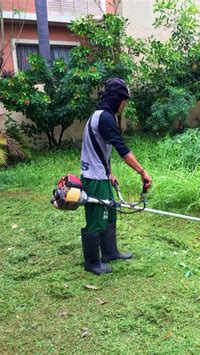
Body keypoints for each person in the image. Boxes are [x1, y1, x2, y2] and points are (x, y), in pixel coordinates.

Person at [80, 78, 152, 275]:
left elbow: (101, 148)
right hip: (94, 178)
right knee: (97, 218)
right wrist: (142, 171)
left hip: (100, 175)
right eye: (124, 101)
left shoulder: (102, 115)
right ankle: (92, 263)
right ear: (116, 99)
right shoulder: (104, 117)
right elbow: (121, 148)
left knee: (110, 212)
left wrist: (109, 172)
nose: (125, 105)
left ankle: (110, 252)